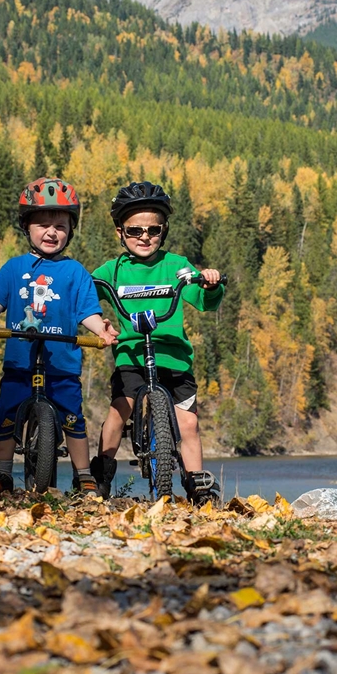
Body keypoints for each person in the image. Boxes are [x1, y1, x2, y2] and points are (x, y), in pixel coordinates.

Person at [0, 177, 118, 496]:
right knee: (7, 414)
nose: (51, 232)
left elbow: (86, 311)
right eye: (43, 224)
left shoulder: (75, 272)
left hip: (62, 363)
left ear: (70, 231)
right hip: (20, 359)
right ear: (27, 227)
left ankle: (83, 475)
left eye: (60, 226)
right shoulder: (14, 268)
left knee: (73, 418)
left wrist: (101, 330)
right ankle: (2, 471)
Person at [91, 181, 224, 505]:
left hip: (174, 357)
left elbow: (206, 302)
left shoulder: (176, 266)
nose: (145, 236)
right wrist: (93, 319)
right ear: (120, 232)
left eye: (154, 229)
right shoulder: (112, 270)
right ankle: (100, 476)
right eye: (135, 230)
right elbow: (85, 297)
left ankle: (198, 486)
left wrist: (208, 283)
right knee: (119, 412)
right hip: (132, 355)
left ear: (163, 230)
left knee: (189, 423)